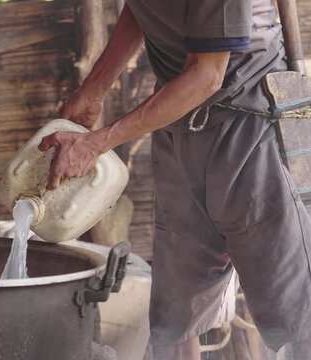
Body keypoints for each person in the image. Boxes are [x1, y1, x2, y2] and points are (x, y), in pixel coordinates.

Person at [39, 1, 311, 358]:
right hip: (177, 124)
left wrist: (97, 144)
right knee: (176, 316)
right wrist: (95, 87)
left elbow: (207, 74)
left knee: (295, 312)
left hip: (251, 128)